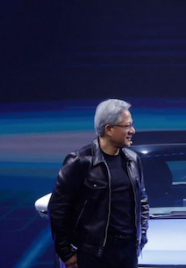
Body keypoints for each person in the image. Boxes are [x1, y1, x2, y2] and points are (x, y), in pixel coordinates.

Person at [48, 99, 149, 268]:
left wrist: (141, 238)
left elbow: (142, 201)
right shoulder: (80, 161)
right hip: (93, 255)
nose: (133, 130)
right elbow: (58, 208)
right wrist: (65, 252)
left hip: (128, 253)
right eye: (127, 126)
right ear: (108, 129)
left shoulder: (133, 160)